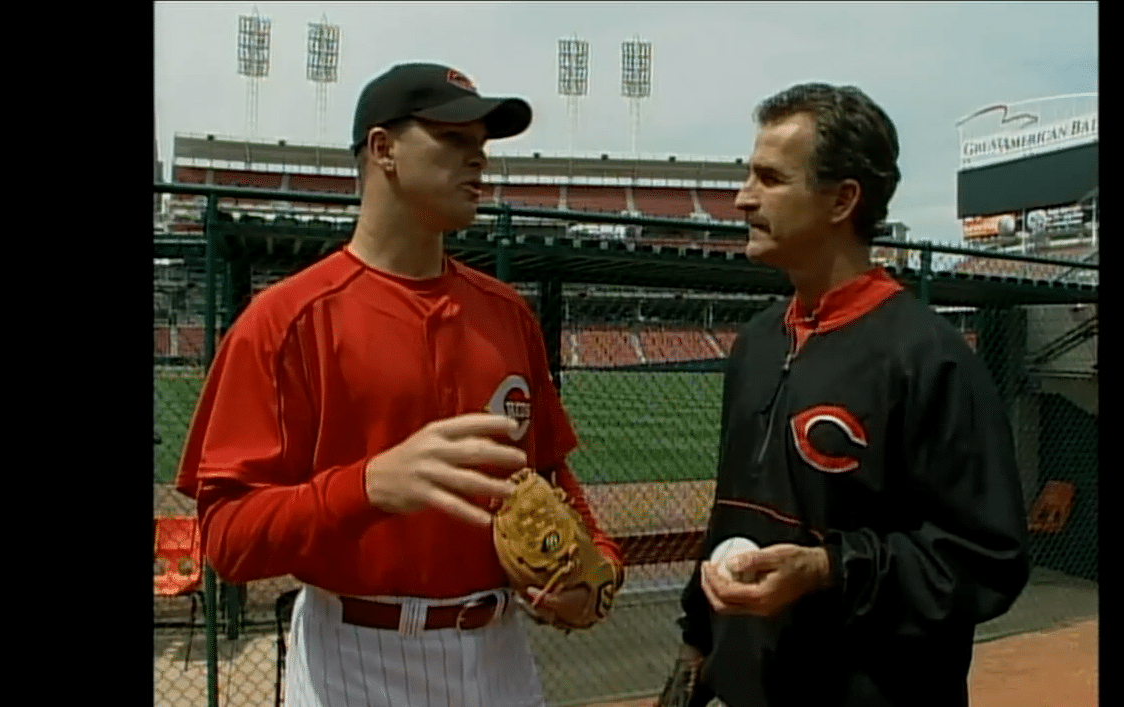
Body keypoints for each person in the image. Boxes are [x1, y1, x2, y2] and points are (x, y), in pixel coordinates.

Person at [173, 63, 624, 707]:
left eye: (483, 148)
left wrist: (599, 568)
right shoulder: (285, 321)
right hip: (356, 656)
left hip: (500, 655)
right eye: (454, 141)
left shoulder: (506, 315)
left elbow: (548, 476)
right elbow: (227, 540)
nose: (479, 163)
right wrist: (369, 486)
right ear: (383, 150)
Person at [665, 84, 1031, 707]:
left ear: (841, 199)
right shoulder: (756, 344)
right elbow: (734, 517)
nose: (741, 198)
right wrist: (698, 644)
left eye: (770, 178)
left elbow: (988, 559)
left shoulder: (929, 357)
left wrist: (828, 569)